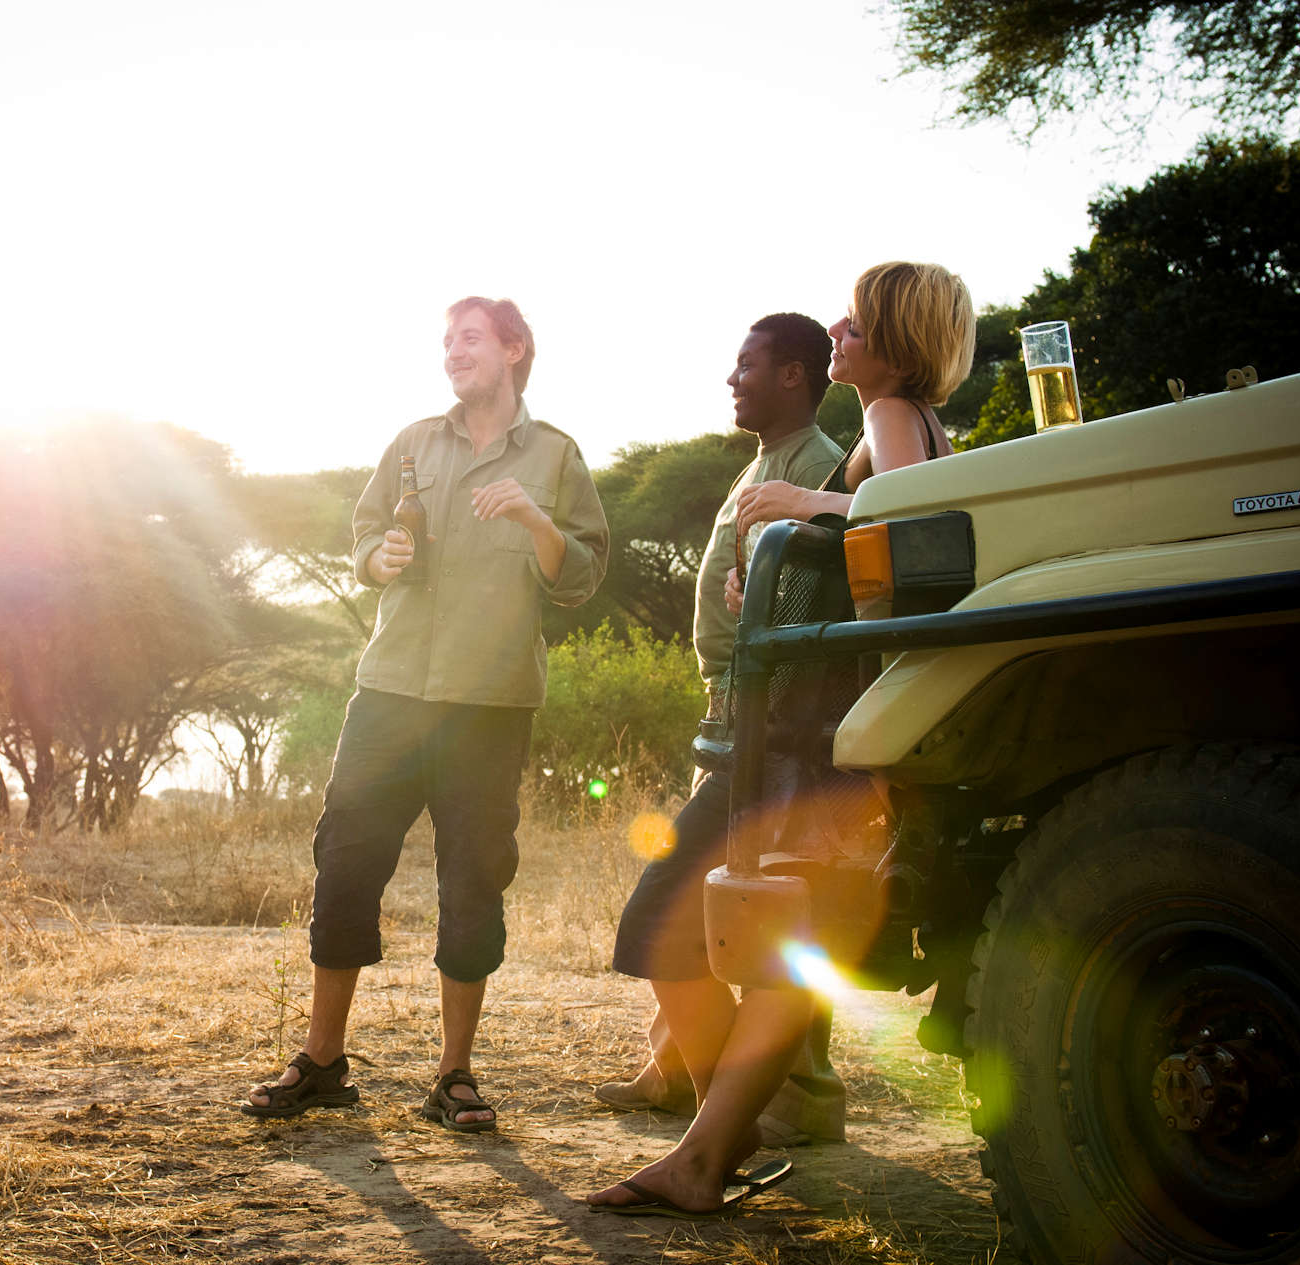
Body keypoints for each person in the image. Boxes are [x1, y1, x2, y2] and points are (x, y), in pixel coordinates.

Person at [588, 261, 975, 1218]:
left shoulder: (890, 417)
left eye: (855, 319)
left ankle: (716, 1139)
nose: (838, 329)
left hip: (812, 731)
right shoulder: (908, 420)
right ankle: (712, 1145)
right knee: (777, 948)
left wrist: (809, 511)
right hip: (825, 721)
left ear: (889, 336)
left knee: (672, 923)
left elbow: (919, 525)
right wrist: (783, 569)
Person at [242, 296, 609, 1132]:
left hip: (489, 703)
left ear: (515, 349)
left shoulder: (556, 455)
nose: (453, 352)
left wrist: (534, 517)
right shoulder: (412, 442)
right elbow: (364, 539)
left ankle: (454, 1075)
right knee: (344, 862)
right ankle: (324, 1061)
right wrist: (382, 557)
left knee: (474, 877)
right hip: (391, 694)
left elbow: (582, 574)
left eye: (470, 338)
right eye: (446, 341)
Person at [593, 313, 849, 1147]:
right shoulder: (766, 463)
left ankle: (779, 1098)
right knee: (727, 906)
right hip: (738, 709)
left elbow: (818, 597)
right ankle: (686, 1075)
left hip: (775, 723)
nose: (730, 380)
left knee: (740, 909)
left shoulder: (819, 464)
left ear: (793, 375)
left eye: (747, 366)